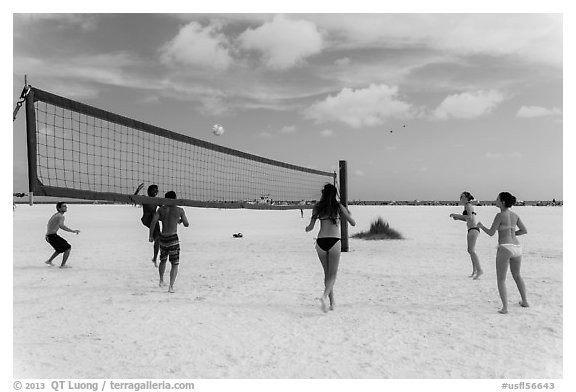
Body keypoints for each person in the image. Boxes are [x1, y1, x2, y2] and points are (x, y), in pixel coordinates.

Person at [305, 183, 356, 312]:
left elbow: (310, 227)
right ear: (334, 195)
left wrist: (307, 228)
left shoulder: (317, 207)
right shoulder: (338, 207)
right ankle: (324, 296)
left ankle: (332, 303)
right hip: (334, 241)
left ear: (323, 194)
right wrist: (346, 213)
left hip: (321, 242)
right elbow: (353, 223)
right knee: (332, 275)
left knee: (327, 274)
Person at [477, 192, 529, 314]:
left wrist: (481, 226)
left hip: (505, 247)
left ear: (503, 202)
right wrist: (512, 234)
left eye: (497, 199)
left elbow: (491, 233)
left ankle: (505, 308)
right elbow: (524, 230)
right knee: (517, 275)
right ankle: (525, 301)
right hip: (517, 247)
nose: (495, 200)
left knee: (501, 279)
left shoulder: (500, 215)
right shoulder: (515, 215)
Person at [149, 191, 189, 293]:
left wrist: (150, 236)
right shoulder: (179, 210)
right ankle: (171, 286)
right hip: (172, 238)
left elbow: (153, 222)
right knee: (175, 263)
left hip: (163, 238)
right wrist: (179, 220)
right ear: (175, 198)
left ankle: (161, 280)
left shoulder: (161, 209)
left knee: (163, 260)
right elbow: (186, 224)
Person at [450, 191, 483, 279]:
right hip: (471, 229)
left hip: (473, 229)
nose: (461, 198)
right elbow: (468, 219)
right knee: (470, 251)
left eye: (462, 197)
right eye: (460, 196)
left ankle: (479, 270)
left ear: (467, 198)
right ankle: (475, 271)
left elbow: (469, 217)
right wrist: (458, 218)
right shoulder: (467, 206)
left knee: (471, 251)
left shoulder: (468, 205)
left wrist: (456, 215)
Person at [44, 202, 80, 268]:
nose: (66, 207)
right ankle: (62, 265)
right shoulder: (60, 216)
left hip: (49, 236)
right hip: (52, 236)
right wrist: (72, 231)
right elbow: (61, 226)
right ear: (59, 208)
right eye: (64, 206)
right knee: (68, 248)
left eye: (66, 206)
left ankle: (49, 261)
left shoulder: (56, 215)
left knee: (59, 249)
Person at [138, 184, 160, 267]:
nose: (156, 191)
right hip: (146, 219)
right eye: (154, 190)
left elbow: (165, 208)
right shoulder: (145, 198)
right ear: (149, 191)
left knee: (158, 239)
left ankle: (154, 258)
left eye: (157, 190)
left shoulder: (158, 200)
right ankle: (151, 236)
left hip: (154, 220)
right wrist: (138, 189)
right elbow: (133, 198)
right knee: (153, 215)